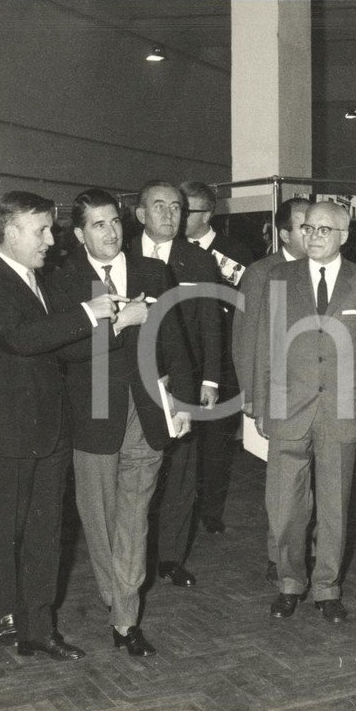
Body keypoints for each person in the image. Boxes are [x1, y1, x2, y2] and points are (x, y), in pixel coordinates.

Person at [0, 190, 125, 660]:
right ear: (10, 233)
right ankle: (4, 614)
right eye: (42, 230)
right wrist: (89, 313)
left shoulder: (40, 281)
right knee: (0, 530)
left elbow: (60, 346)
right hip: (0, 433)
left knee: (45, 533)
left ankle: (40, 626)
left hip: (48, 429)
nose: (51, 240)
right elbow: (22, 339)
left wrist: (115, 325)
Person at [48, 188, 194, 656]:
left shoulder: (152, 270)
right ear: (79, 234)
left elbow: (174, 339)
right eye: (98, 225)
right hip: (93, 408)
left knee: (135, 515)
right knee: (99, 517)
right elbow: (65, 351)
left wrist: (183, 401)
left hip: (147, 408)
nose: (110, 232)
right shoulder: (64, 281)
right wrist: (120, 322)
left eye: (114, 221)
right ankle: (117, 596)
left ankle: (125, 616)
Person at [253, 200, 356, 623]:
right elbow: (265, 345)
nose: (312, 236)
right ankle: (289, 583)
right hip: (287, 407)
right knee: (284, 507)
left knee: (335, 505)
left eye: (323, 230)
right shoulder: (279, 277)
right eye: (308, 228)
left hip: (343, 409)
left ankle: (328, 587)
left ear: (343, 236)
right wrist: (261, 404)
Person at [133, 180, 219, 586]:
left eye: (176, 207)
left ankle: (170, 557)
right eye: (160, 206)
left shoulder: (198, 260)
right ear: (140, 214)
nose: (170, 214)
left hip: (185, 379)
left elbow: (210, 322)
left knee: (182, 470)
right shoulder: (122, 256)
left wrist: (211, 379)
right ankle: (138, 555)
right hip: (135, 380)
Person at [234, 196, 310, 584]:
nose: (313, 232)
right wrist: (252, 397)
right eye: (303, 226)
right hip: (276, 396)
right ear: (284, 234)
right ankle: (278, 553)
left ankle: (305, 550)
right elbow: (246, 338)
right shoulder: (262, 273)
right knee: (283, 484)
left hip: (316, 397)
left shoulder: (326, 269)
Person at [178, 180, 253, 535]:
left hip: (222, 362)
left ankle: (211, 510)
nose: (177, 217)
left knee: (216, 443)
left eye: (185, 211)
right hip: (181, 358)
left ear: (207, 214)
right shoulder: (172, 250)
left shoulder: (236, 252)